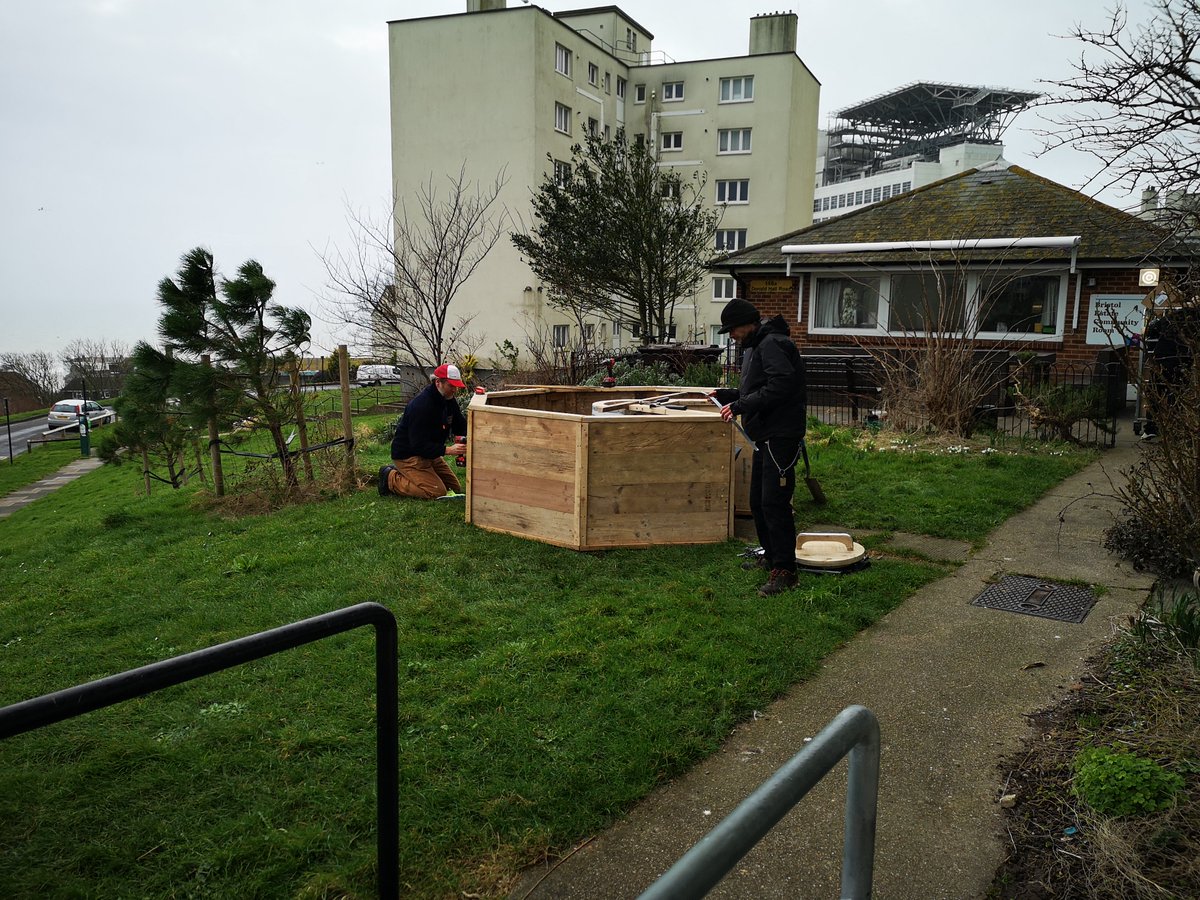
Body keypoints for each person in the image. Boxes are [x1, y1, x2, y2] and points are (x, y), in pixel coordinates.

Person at [711, 298, 807, 596]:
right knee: (758, 502)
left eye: (733, 329)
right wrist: (728, 395)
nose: (731, 336)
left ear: (748, 323)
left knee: (775, 503)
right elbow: (754, 389)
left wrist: (741, 405)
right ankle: (771, 556)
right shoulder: (755, 346)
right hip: (765, 435)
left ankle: (786, 570)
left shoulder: (773, 344)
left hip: (781, 434)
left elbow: (781, 386)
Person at [379, 363, 469, 499]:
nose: (455, 390)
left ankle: (416, 474)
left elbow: (459, 426)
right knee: (436, 492)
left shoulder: (448, 400)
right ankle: (390, 478)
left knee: (454, 488)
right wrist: (448, 450)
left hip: (430, 454)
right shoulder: (421, 406)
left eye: (456, 386)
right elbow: (418, 445)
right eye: (451, 386)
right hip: (409, 455)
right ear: (438, 382)